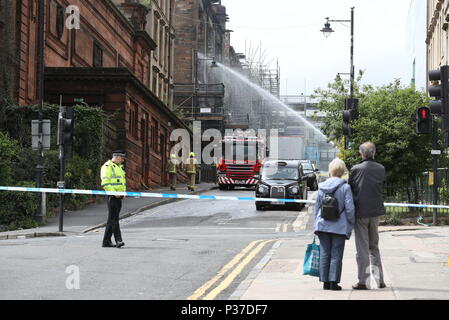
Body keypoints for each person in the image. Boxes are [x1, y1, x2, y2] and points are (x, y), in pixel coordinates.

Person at [349, 142, 386, 290]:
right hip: (375, 212)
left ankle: (363, 282)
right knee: (374, 247)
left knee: (362, 249)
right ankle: (380, 280)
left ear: (361, 154)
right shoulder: (381, 168)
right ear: (374, 153)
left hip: (360, 213)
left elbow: (350, 188)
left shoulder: (356, 169)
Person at [314, 158, 355, 291]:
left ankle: (325, 282)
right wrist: (350, 223)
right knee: (336, 254)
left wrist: (316, 223)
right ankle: (333, 282)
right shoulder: (345, 187)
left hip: (323, 224)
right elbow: (350, 209)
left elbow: (317, 207)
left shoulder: (322, 187)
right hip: (339, 226)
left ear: (330, 170)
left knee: (325, 252)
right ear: (342, 171)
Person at [100, 150, 126, 248]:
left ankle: (106, 241)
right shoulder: (107, 167)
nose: (123, 160)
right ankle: (118, 240)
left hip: (118, 197)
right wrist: (114, 193)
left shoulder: (119, 167)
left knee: (112, 219)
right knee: (114, 219)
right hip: (112, 196)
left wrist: (123, 193)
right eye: (122, 158)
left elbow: (122, 182)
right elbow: (105, 183)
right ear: (117, 157)